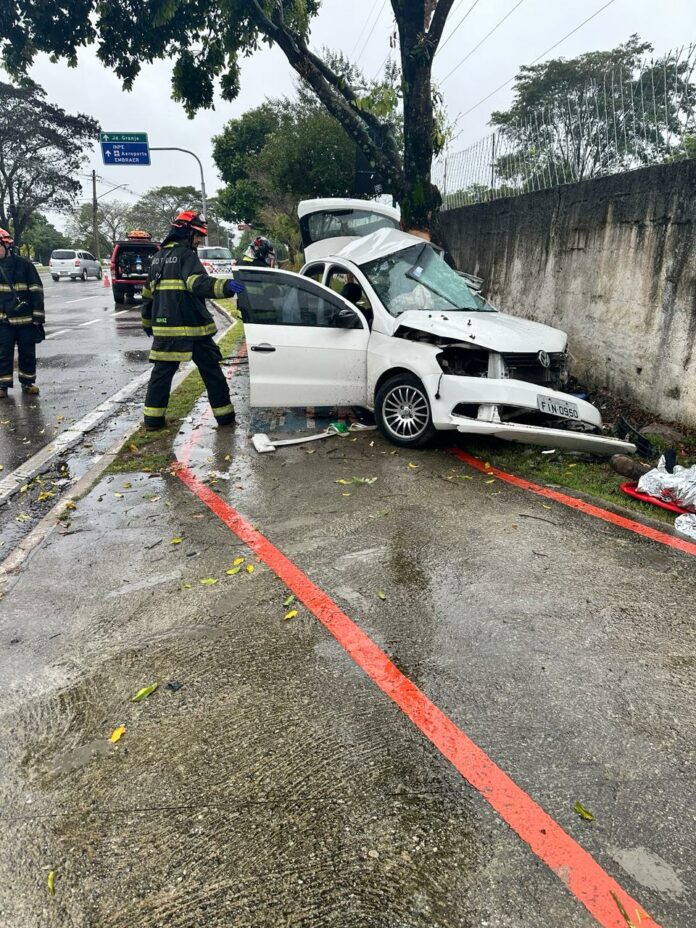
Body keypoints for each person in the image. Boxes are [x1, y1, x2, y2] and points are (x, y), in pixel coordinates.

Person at [140, 210, 245, 429]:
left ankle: (152, 420)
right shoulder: (187, 255)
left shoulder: (158, 257)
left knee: (161, 374)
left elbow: (148, 294)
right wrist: (226, 287)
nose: (198, 240)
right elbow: (197, 283)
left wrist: (147, 323)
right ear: (186, 232)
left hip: (164, 330)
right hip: (191, 329)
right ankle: (225, 418)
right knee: (211, 372)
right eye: (197, 235)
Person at [0, 228, 44, 399]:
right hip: (4, 321)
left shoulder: (25, 265)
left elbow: (36, 291)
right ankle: (3, 385)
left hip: (26, 320)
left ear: (7, 245)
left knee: (27, 352)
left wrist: (38, 317)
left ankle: (27, 382)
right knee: (4, 353)